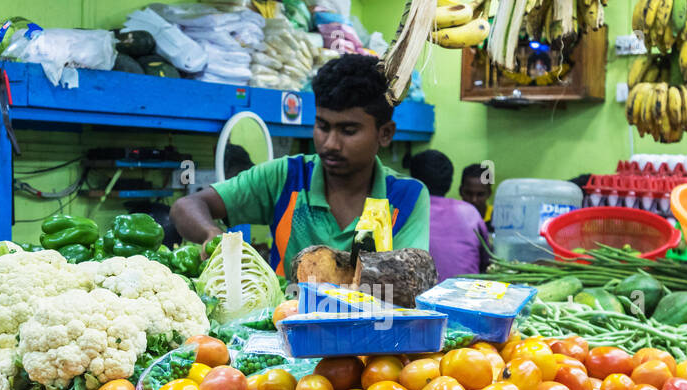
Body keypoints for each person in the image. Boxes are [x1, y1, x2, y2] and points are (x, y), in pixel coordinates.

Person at [171, 54, 430, 274]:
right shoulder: (286, 176)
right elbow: (188, 205)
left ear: (385, 133)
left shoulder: (407, 197)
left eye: (348, 131)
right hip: (284, 326)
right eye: (322, 126)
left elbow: (407, 277)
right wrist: (211, 236)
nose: (330, 143)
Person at [408, 150, 489, 281]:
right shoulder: (470, 212)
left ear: (413, 180)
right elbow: (487, 260)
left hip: (421, 298)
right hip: (468, 296)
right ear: (451, 183)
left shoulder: (406, 211)